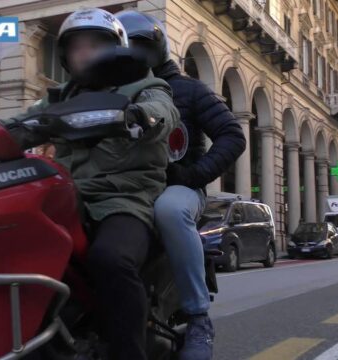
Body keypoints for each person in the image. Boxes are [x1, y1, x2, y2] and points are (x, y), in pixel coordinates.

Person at [4, 9, 179, 360]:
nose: (85, 52)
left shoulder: (143, 85)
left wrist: (140, 117)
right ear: (65, 55)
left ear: (117, 48)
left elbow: (162, 111)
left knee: (110, 258)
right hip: (65, 196)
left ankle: (128, 353)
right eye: (77, 46)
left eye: (96, 44)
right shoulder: (58, 99)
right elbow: (20, 124)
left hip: (125, 197)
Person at [116, 11, 246, 360]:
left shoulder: (187, 89)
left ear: (158, 48)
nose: (133, 53)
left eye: (140, 46)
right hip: (126, 187)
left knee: (170, 210)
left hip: (180, 188)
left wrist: (192, 175)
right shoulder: (112, 90)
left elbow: (232, 136)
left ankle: (198, 316)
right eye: (125, 46)